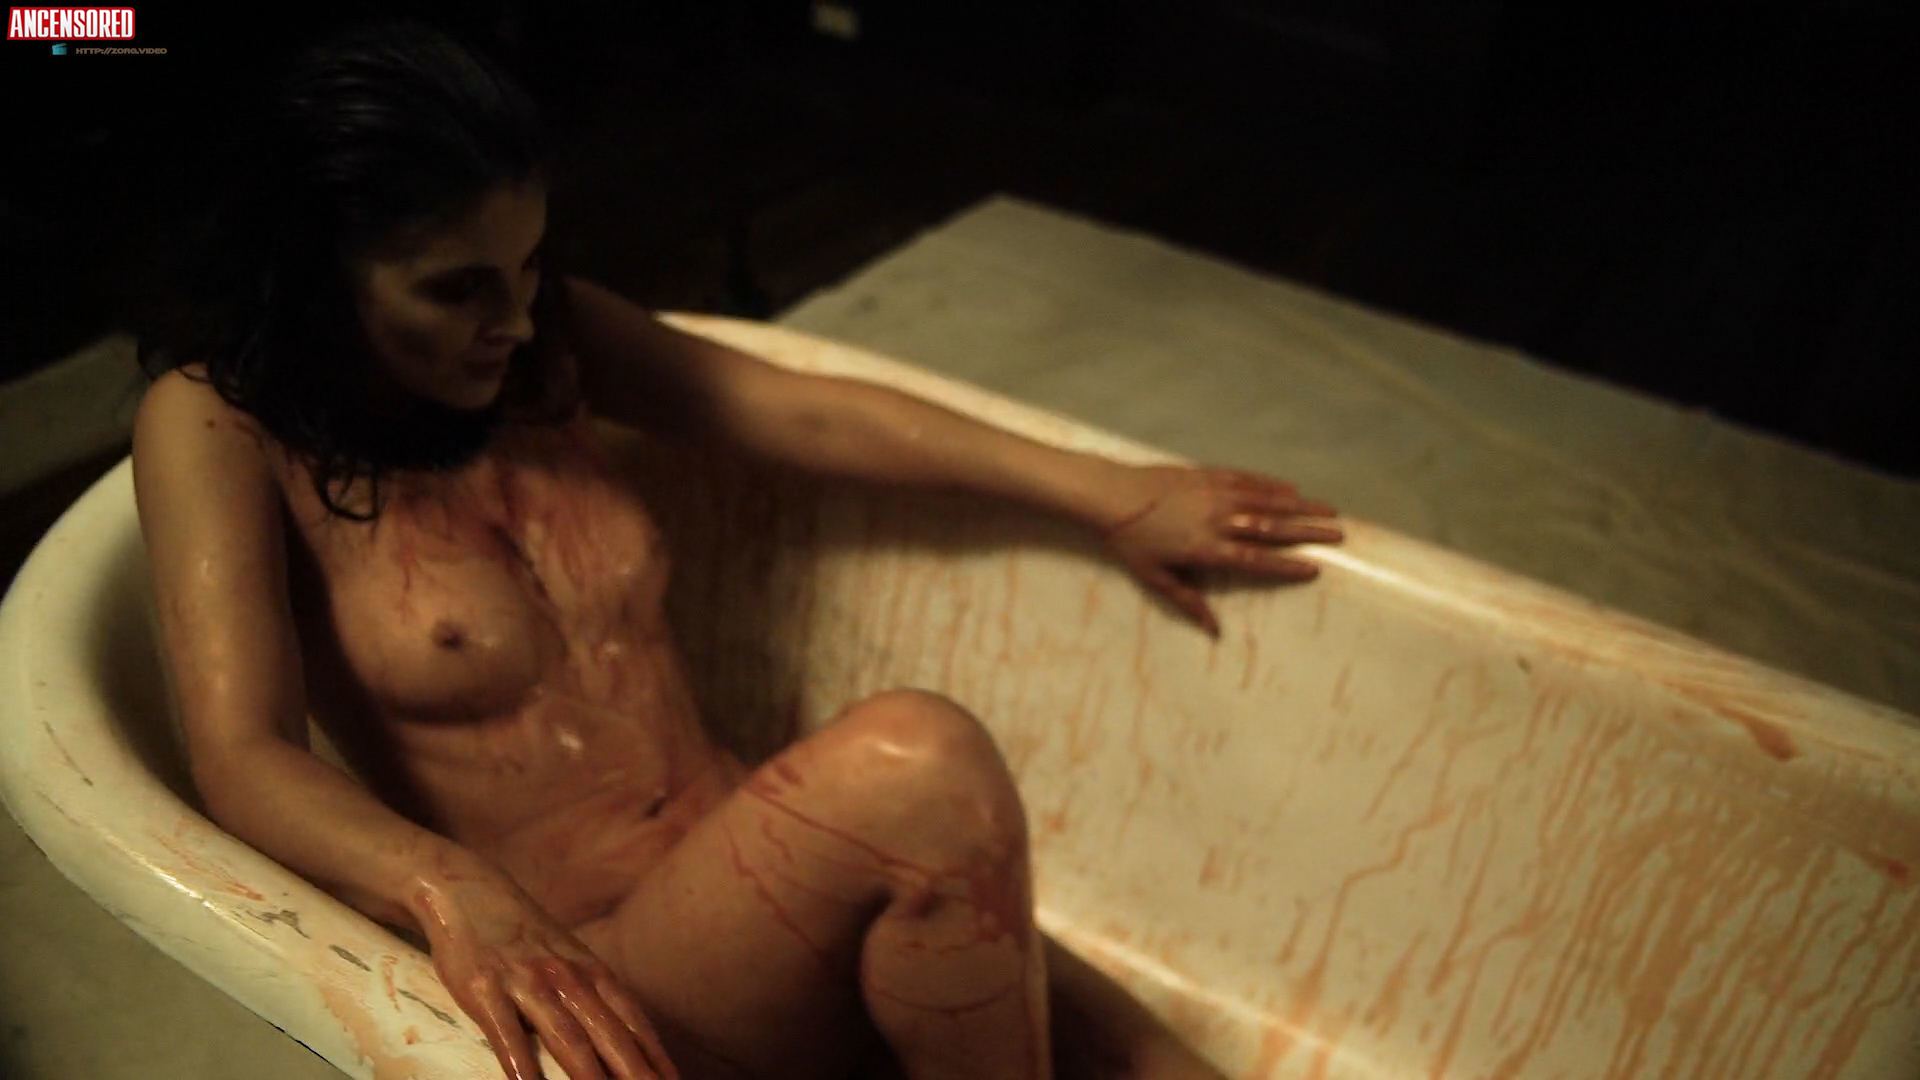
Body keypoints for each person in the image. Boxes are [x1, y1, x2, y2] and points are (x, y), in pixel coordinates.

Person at [128, 16, 1345, 1080]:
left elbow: (800, 412)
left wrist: (1111, 494)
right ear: (319, 277)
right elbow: (243, 756)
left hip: (763, 894)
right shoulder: (223, 425)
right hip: (612, 973)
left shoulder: (548, 348)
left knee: (1162, 1062)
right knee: (919, 767)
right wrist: (448, 888)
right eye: (457, 290)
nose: (514, 320)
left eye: (530, 266)